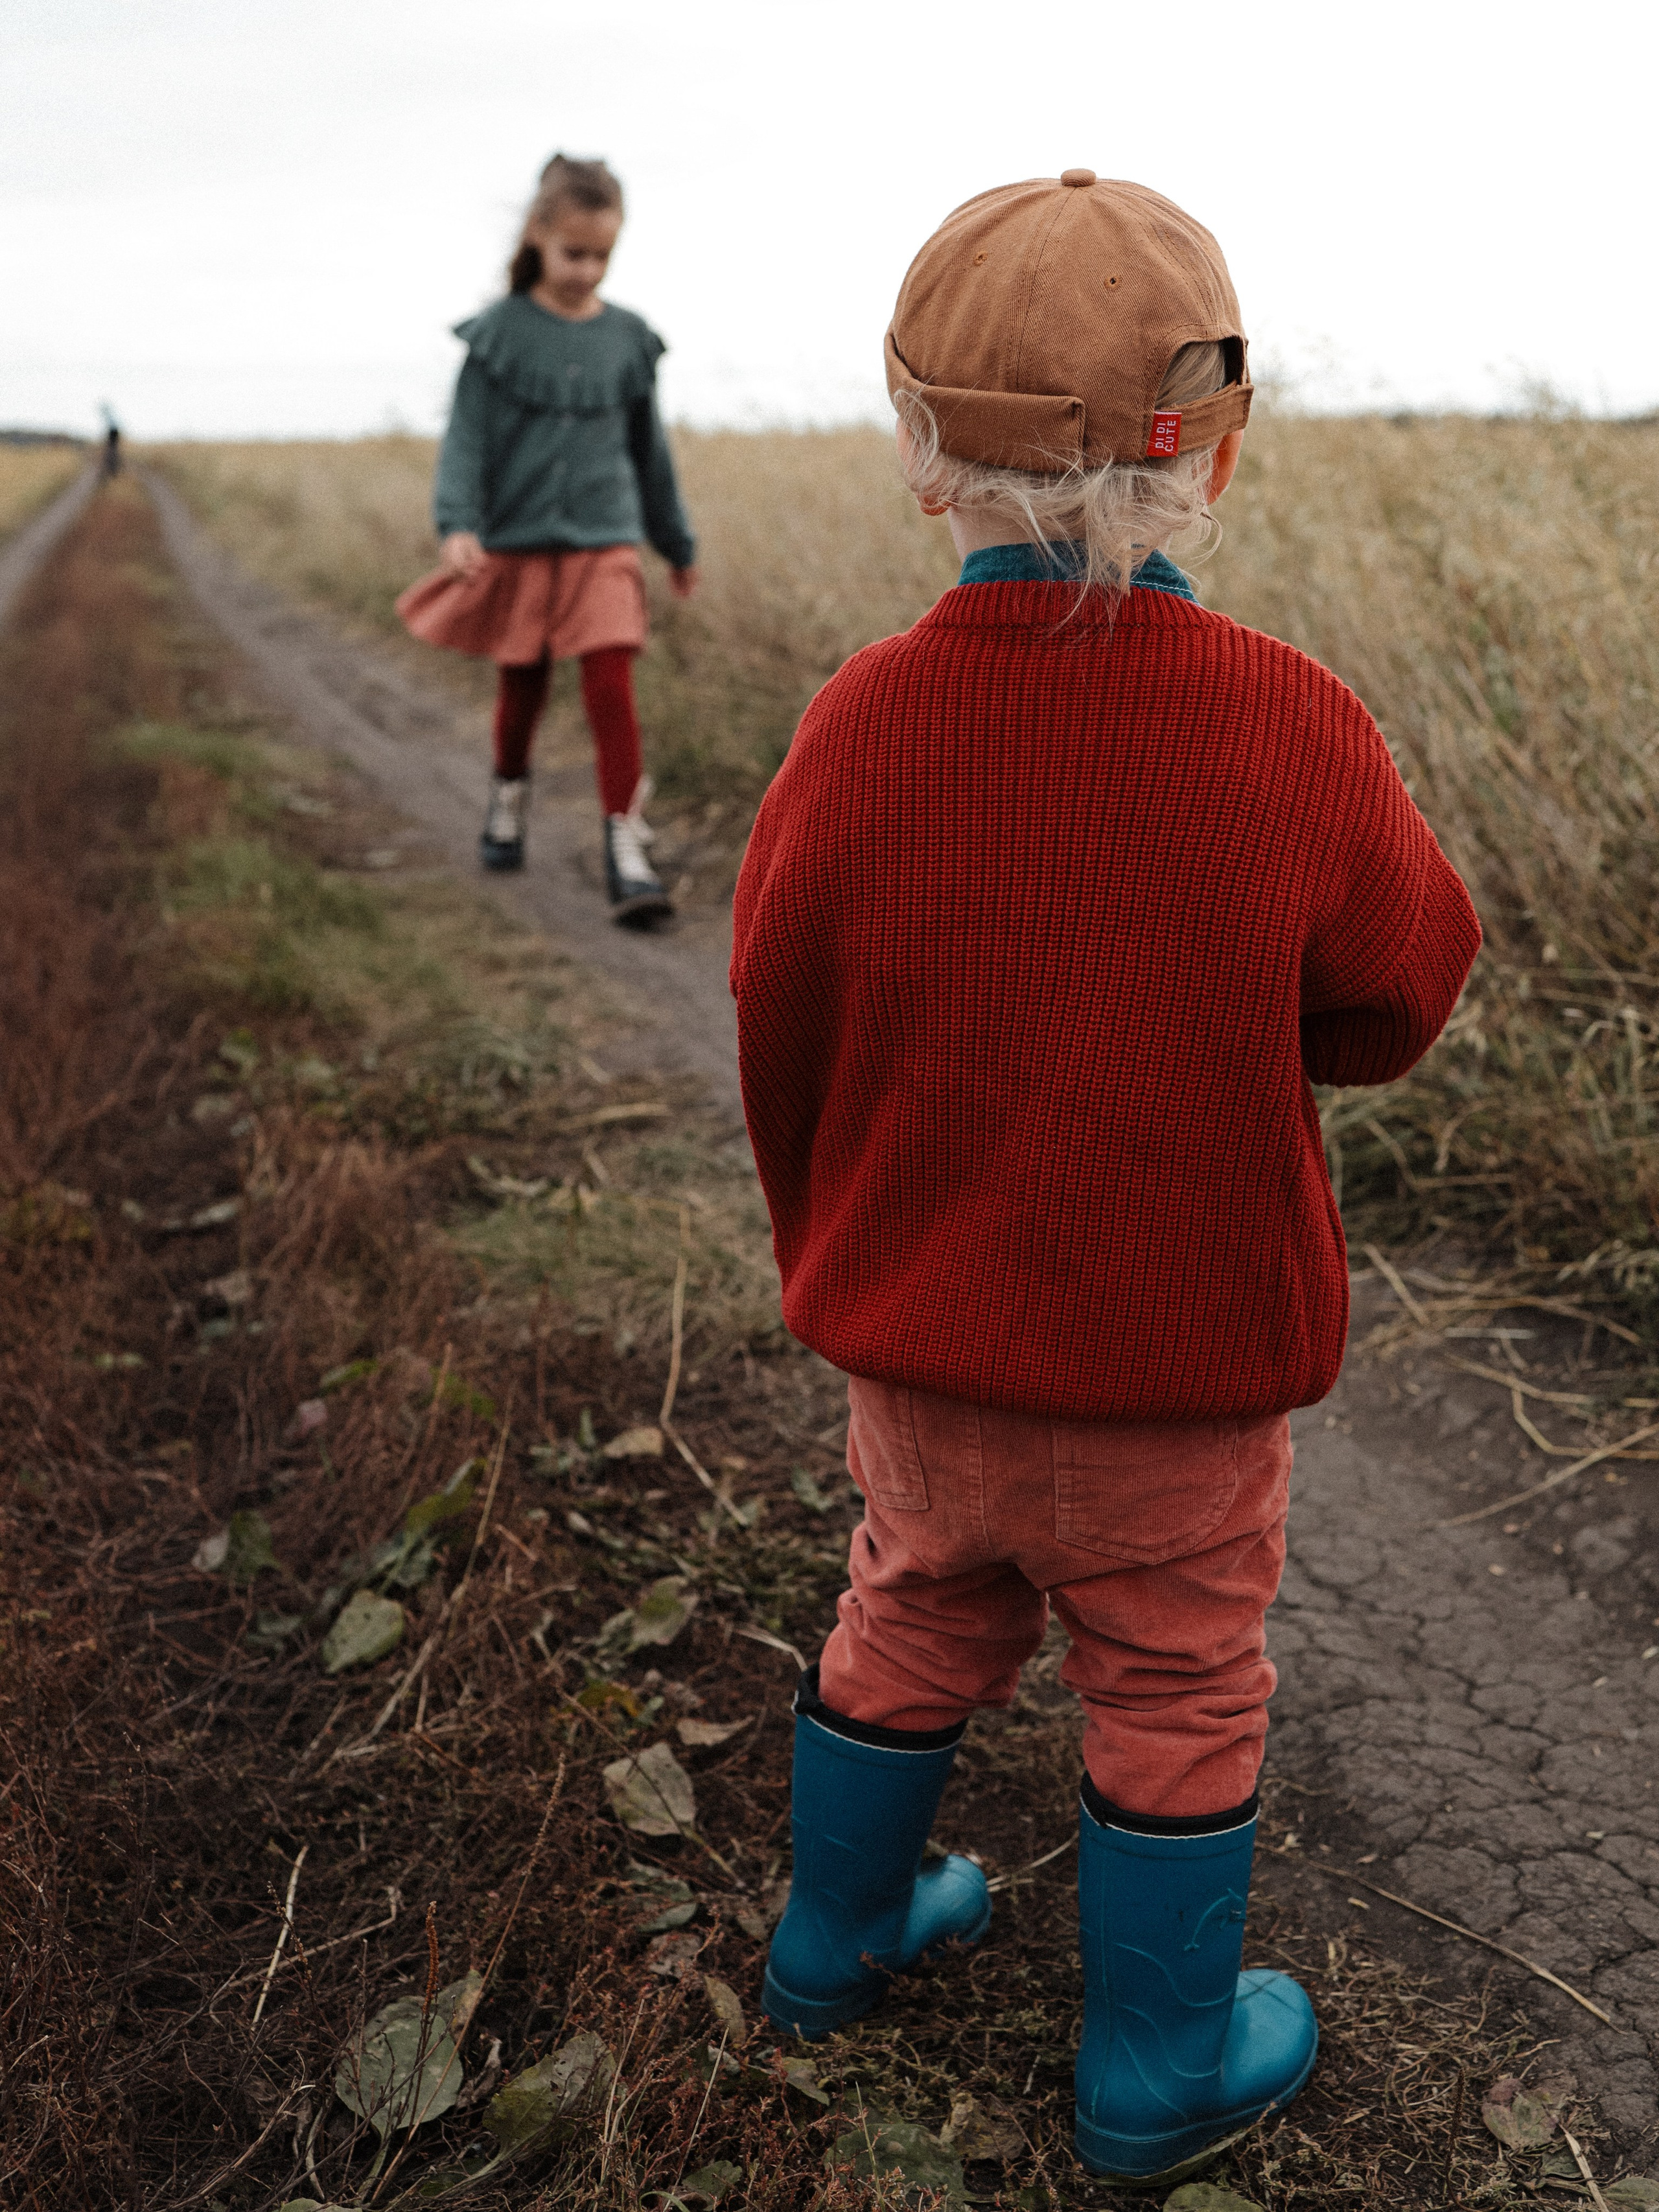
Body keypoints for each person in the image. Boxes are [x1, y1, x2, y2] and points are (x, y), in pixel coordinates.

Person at [731, 174, 1481, 2187]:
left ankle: (833, 1935)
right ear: (1216, 447)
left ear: (915, 458)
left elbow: (777, 1012)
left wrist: (845, 1243)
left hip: (925, 1357)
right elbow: (1401, 984)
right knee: (1172, 1676)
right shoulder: (1291, 727)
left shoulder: (856, 726)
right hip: (1174, 1379)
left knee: (907, 1607)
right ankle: (1154, 2060)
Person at [397, 154, 697, 922]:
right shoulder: (498, 334)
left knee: (610, 683)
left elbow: (648, 451)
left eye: (602, 255)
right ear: (539, 235)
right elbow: (464, 440)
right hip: (520, 542)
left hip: (607, 542)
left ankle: (626, 846)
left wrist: (676, 541)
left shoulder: (629, 340)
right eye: (574, 253)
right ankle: (507, 795)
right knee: (521, 688)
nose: (586, 270)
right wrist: (458, 524)